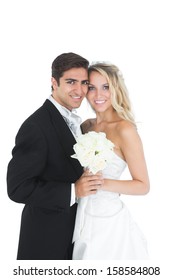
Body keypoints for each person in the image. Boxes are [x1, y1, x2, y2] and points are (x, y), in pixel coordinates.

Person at [7, 52, 103, 260]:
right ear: (54, 82)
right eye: (71, 82)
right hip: (45, 240)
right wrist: (73, 190)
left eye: (84, 83)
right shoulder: (36, 126)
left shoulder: (80, 122)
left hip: (78, 234)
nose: (79, 90)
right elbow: (17, 188)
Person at [72, 62, 150, 260]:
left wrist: (102, 183)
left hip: (109, 223)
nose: (98, 95)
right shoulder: (85, 127)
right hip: (80, 218)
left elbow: (143, 186)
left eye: (105, 87)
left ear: (115, 89)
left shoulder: (125, 129)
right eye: (91, 87)